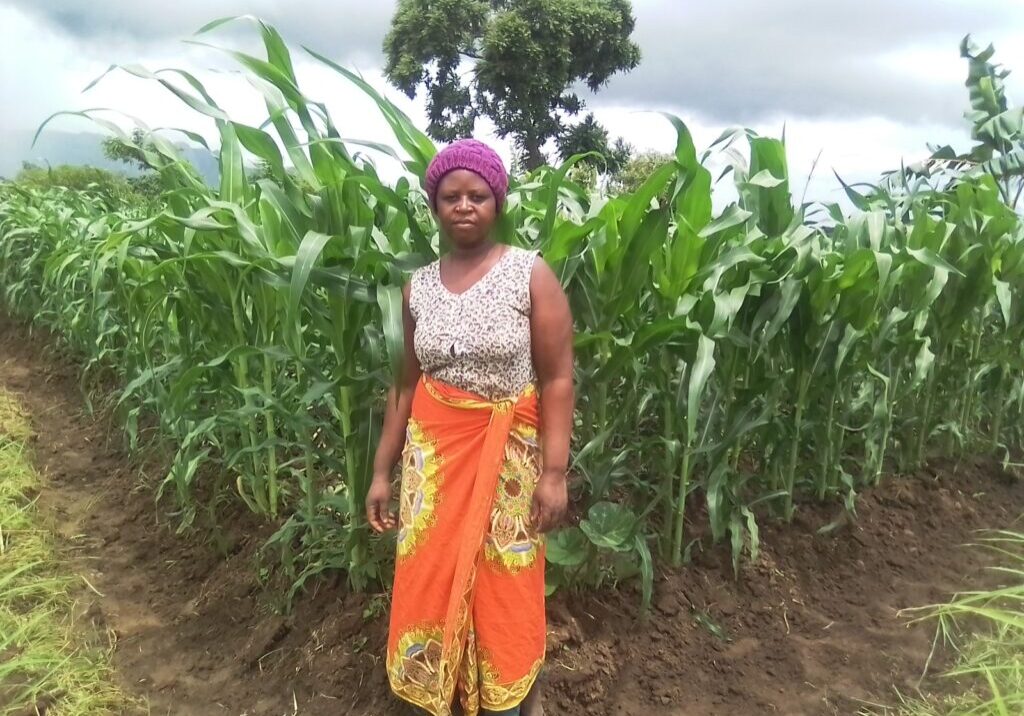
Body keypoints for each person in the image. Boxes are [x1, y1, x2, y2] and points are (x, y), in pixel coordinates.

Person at [366, 138, 575, 716]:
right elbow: (405, 385)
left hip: (509, 455)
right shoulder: (420, 287)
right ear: (434, 206)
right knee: (428, 573)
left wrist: (554, 472)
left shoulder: (529, 274)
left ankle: (507, 699)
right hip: (432, 461)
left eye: (477, 195)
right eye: (450, 196)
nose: (464, 206)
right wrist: (382, 471)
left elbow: (558, 378)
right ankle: (429, 692)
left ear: (497, 202)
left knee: (505, 578)